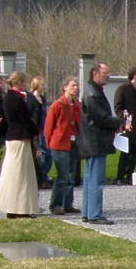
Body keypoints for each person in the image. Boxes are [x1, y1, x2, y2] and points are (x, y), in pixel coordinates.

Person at [78, 61, 122, 223]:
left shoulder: (93, 91)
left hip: (92, 141)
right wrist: (118, 122)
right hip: (95, 141)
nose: (108, 76)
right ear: (95, 73)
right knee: (95, 180)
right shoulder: (93, 94)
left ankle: (88, 212)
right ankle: (94, 214)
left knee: (90, 179)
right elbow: (100, 118)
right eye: (105, 73)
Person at [0, 71, 40, 218]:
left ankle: (12, 207)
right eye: (24, 82)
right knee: (21, 175)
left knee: (12, 173)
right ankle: (19, 208)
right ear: (19, 82)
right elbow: (26, 119)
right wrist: (35, 131)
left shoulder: (8, 98)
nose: (25, 85)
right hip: (20, 138)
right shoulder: (17, 99)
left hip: (12, 137)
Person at [43, 76, 82, 214]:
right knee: (62, 176)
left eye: (76, 86)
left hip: (73, 143)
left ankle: (67, 203)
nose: (75, 88)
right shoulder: (57, 105)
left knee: (71, 176)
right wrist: (49, 143)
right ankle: (55, 205)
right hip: (60, 144)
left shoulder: (77, 106)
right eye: (72, 85)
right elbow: (48, 127)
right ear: (65, 87)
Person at [113, 67, 136, 184]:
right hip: (127, 125)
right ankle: (120, 177)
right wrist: (124, 122)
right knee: (125, 152)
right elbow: (118, 108)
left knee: (135, 152)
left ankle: (129, 175)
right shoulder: (122, 89)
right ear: (135, 76)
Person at [27, 75, 51, 189]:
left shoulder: (43, 98)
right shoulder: (31, 98)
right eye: (42, 84)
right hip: (37, 131)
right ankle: (39, 178)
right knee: (40, 155)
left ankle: (43, 175)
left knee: (49, 155)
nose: (44, 86)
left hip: (44, 130)